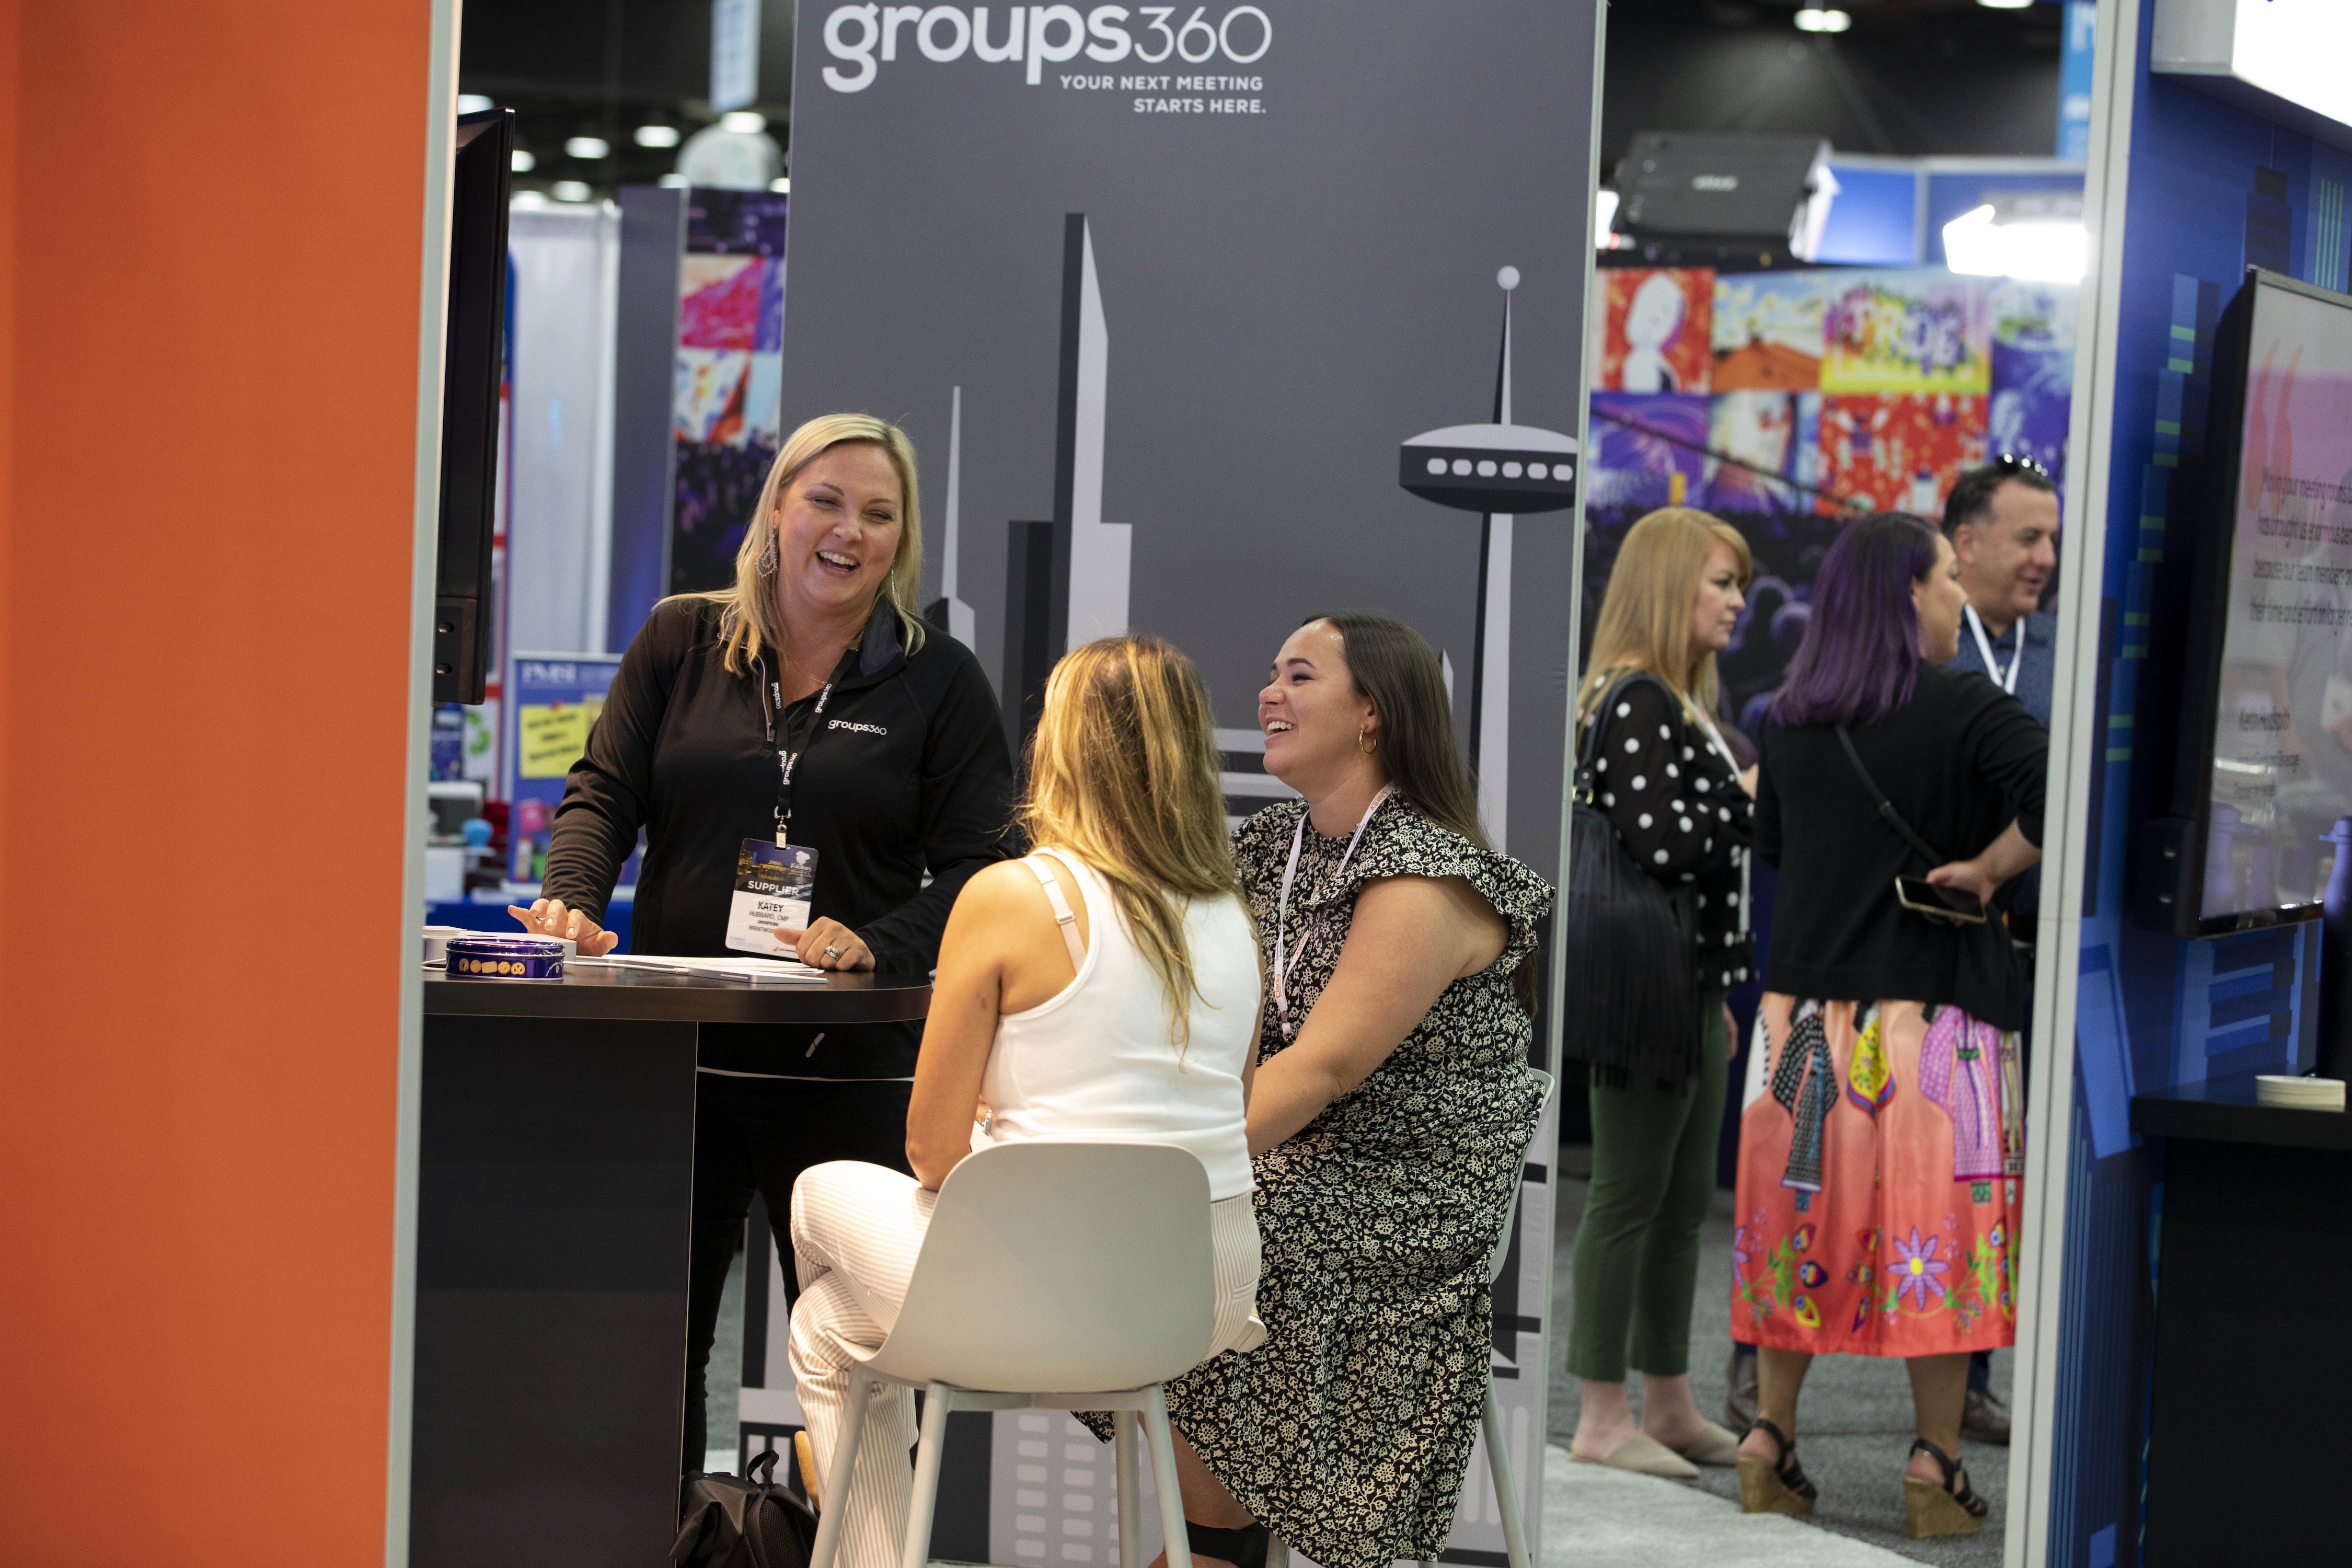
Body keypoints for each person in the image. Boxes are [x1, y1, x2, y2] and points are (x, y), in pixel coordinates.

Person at [512, 413, 1019, 1471]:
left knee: (870, 1372)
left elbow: (982, 865)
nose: (849, 531)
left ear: (902, 537)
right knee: (652, 1353)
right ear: (778, 509)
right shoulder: (681, 640)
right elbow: (604, 791)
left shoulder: (939, 681)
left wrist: (880, 939)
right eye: (826, 501)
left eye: (879, 514)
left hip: (849, 1076)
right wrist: (572, 899)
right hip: (675, 1062)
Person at [785, 636, 1266, 1568]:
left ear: (1059, 746)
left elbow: (930, 1151)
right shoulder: (1234, 915)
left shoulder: (1011, 896)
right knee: (829, 1325)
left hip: (1041, 1292)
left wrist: (1001, 1140)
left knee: (814, 1192)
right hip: (1195, 1296)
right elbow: (1222, 1112)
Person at [1121, 612, 1553, 1568]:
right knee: (1168, 1211)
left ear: (1372, 715)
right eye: (1272, 673)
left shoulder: (1427, 872)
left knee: (1215, 1218)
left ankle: (1205, 1547)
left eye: (1301, 676)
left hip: (1403, 1194)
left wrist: (1178, 1164)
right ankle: (1210, 1542)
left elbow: (1324, 1066)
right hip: (1285, 1157)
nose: (1270, 693)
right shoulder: (1270, 843)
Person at [1731, 513, 2045, 1540]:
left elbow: (1771, 845)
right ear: (1910, 591)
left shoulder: (1786, 718)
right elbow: (2062, 787)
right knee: (1938, 1245)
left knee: (1794, 1237)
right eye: (1952, 576)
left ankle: (1770, 1442)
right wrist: (1993, 871)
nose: (1961, 594)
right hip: (1935, 1029)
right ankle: (1933, 1462)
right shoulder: (1967, 708)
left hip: (1801, 1029)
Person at [1564, 508, 1758, 1479]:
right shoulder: (1635, 700)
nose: (1736, 601)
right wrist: (1748, 795)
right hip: (1644, 989)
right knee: (1630, 1196)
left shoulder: (1674, 703)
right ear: (1668, 583)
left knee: (1682, 1201)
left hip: (1688, 983)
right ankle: (1602, 1412)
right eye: (1720, 582)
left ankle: (1669, 1401)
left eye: (1738, 585)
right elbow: (1670, 845)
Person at [1940, 453, 2059, 1445]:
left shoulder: (2065, 652)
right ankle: (1766, 1364)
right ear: (1965, 542)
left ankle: (1969, 1376)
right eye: (2028, 537)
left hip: (2032, 951)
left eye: (2052, 539)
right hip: (1922, 945)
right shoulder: (1928, 653)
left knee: (1990, 1175)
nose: (2045, 558)